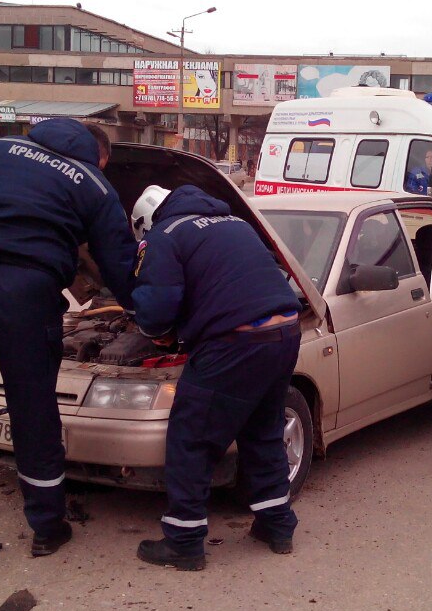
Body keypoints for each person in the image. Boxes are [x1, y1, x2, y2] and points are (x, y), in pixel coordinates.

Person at [0, 119, 137, 582]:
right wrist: (146, 311)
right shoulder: (95, 184)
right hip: (28, 288)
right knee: (33, 409)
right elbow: (118, 261)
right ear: (98, 155)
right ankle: (46, 528)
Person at [129, 183, 302, 571]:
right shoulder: (234, 222)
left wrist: (153, 328)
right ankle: (277, 525)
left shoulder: (165, 235)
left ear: (145, 220)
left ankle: (184, 542)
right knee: (262, 430)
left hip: (234, 343)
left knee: (192, 438)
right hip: (284, 332)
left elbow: (157, 307)